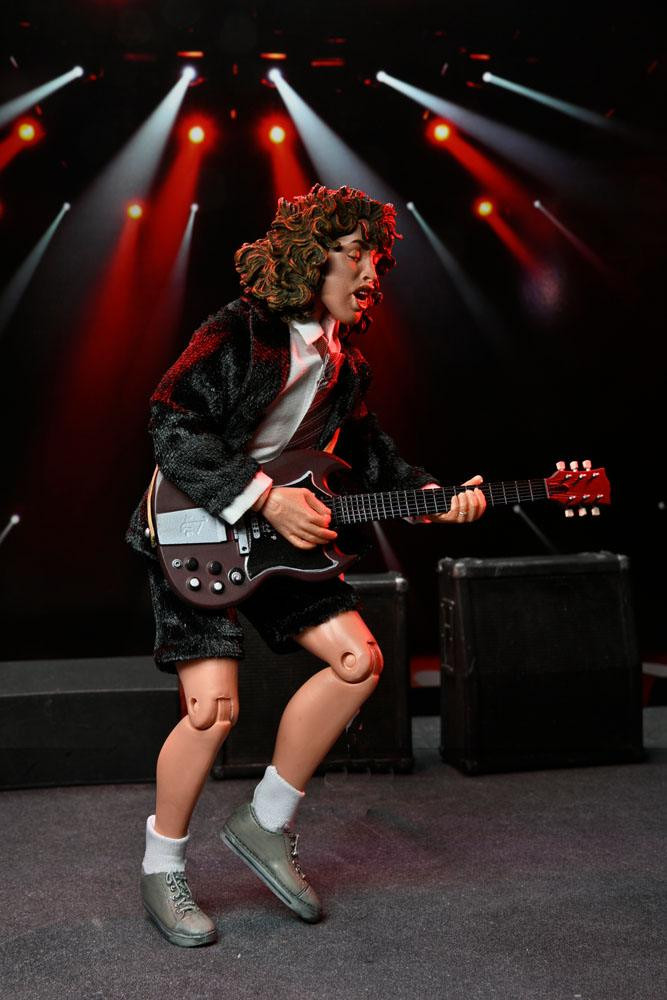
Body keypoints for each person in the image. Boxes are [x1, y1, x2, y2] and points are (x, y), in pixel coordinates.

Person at [125, 183, 486, 947]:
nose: (371, 274)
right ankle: (163, 866)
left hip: (277, 547)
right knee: (211, 710)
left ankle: (266, 822)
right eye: (356, 256)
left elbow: (374, 459)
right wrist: (263, 498)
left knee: (359, 661)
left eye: (377, 260)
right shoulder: (240, 330)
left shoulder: (344, 365)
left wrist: (435, 497)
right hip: (192, 528)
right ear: (309, 258)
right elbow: (171, 422)